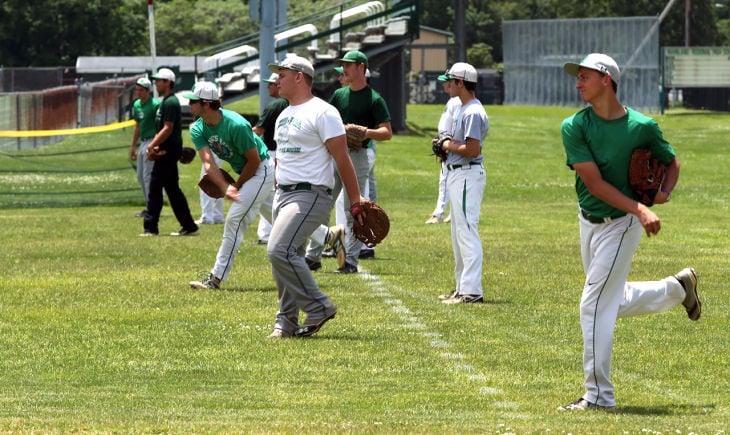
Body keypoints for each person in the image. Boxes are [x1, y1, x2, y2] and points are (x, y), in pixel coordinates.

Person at [558, 53, 701, 411]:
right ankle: (678, 288)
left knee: (592, 304)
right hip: (588, 218)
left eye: (585, 76)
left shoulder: (642, 126)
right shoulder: (574, 126)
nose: (578, 83)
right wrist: (640, 206)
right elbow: (592, 182)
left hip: (621, 226)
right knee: (611, 300)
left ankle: (599, 397)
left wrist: (662, 193)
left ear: (606, 79)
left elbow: (671, 160)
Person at [265, 55, 365, 338]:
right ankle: (286, 323)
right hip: (283, 193)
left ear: (299, 77)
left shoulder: (323, 112)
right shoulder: (284, 114)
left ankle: (319, 306)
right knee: (288, 255)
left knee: (278, 250)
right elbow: (281, 156)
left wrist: (355, 201)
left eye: (282, 74)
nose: (277, 80)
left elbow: (343, 159)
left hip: (311, 194)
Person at [305, 50, 392, 274]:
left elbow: (387, 132)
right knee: (321, 203)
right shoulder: (339, 95)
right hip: (335, 154)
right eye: (343, 64)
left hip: (358, 157)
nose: (344, 68)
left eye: (349, 64)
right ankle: (313, 256)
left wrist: (365, 132)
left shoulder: (374, 98)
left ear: (362, 67)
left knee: (354, 208)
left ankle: (350, 261)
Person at [185, 81, 275, 290]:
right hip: (245, 173)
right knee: (278, 217)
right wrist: (226, 187)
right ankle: (328, 235)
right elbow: (208, 162)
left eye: (193, 101)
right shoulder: (198, 128)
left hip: (260, 171)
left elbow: (253, 161)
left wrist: (237, 185)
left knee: (234, 220)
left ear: (206, 104)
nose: (189, 105)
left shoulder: (236, 124)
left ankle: (216, 278)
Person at [436, 62, 489, 304]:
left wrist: (446, 145)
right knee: (459, 234)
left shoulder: (473, 112)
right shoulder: (461, 108)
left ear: (461, 82)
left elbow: (472, 149)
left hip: (468, 173)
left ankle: (472, 291)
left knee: (467, 232)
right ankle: (461, 288)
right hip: (458, 173)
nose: (448, 84)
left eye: (452, 80)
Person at [141, 68, 199, 237]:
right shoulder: (165, 102)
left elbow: (168, 128)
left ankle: (150, 227)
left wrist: (152, 146)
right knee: (173, 190)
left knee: (155, 188)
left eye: (159, 80)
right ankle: (189, 226)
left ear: (168, 82)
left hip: (168, 152)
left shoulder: (171, 102)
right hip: (166, 150)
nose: (156, 83)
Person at [251, 72, 289, 244]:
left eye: (271, 84)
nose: (268, 86)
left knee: (269, 194)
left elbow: (258, 131)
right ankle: (268, 234)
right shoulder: (292, 103)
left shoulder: (274, 106)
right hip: (288, 153)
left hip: (272, 153)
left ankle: (268, 235)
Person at [426, 73, 460, 225]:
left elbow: (454, 125)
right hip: (446, 143)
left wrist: (446, 146)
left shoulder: (456, 101)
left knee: (445, 180)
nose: (443, 84)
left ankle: (438, 214)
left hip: (449, 145)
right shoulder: (454, 100)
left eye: (446, 81)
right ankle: (453, 214)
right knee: (451, 181)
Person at [128, 77, 159, 218]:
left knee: (148, 176)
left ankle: (152, 208)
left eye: (141, 90)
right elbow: (138, 127)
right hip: (143, 142)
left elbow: (160, 126)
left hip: (152, 141)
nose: (138, 93)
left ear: (148, 91)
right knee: (140, 176)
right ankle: (149, 205)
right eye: (137, 90)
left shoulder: (155, 105)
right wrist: (133, 146)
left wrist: (157, 145)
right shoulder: (137, 105)